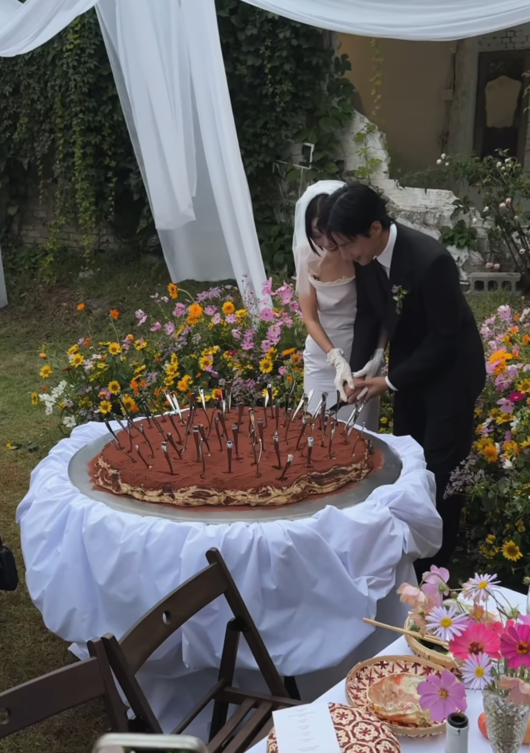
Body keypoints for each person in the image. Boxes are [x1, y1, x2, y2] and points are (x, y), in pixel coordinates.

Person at [318, 182, 486, 572]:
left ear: (375, 228)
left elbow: (444, 338)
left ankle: (436, 571)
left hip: (452, 374)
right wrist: (359, 369)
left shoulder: (431, 260)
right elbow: (369, 312)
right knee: (409, 458)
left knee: (441, 469)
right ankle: (407, 554)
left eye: (348, 244)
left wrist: (390, 382)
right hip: (410, 369)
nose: (346, 255)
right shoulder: (366, 256)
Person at [293, 181, 384, 430]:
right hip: (321, 356)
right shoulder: (305, 254)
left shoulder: (360, 253)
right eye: (316, 234)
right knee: (317, 430)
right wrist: (334, 356)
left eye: (328, 232)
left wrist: (378, 353)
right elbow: (310, 317)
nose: (326, 241)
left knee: (358, 434)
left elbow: (379, 309)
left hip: (360, 354)